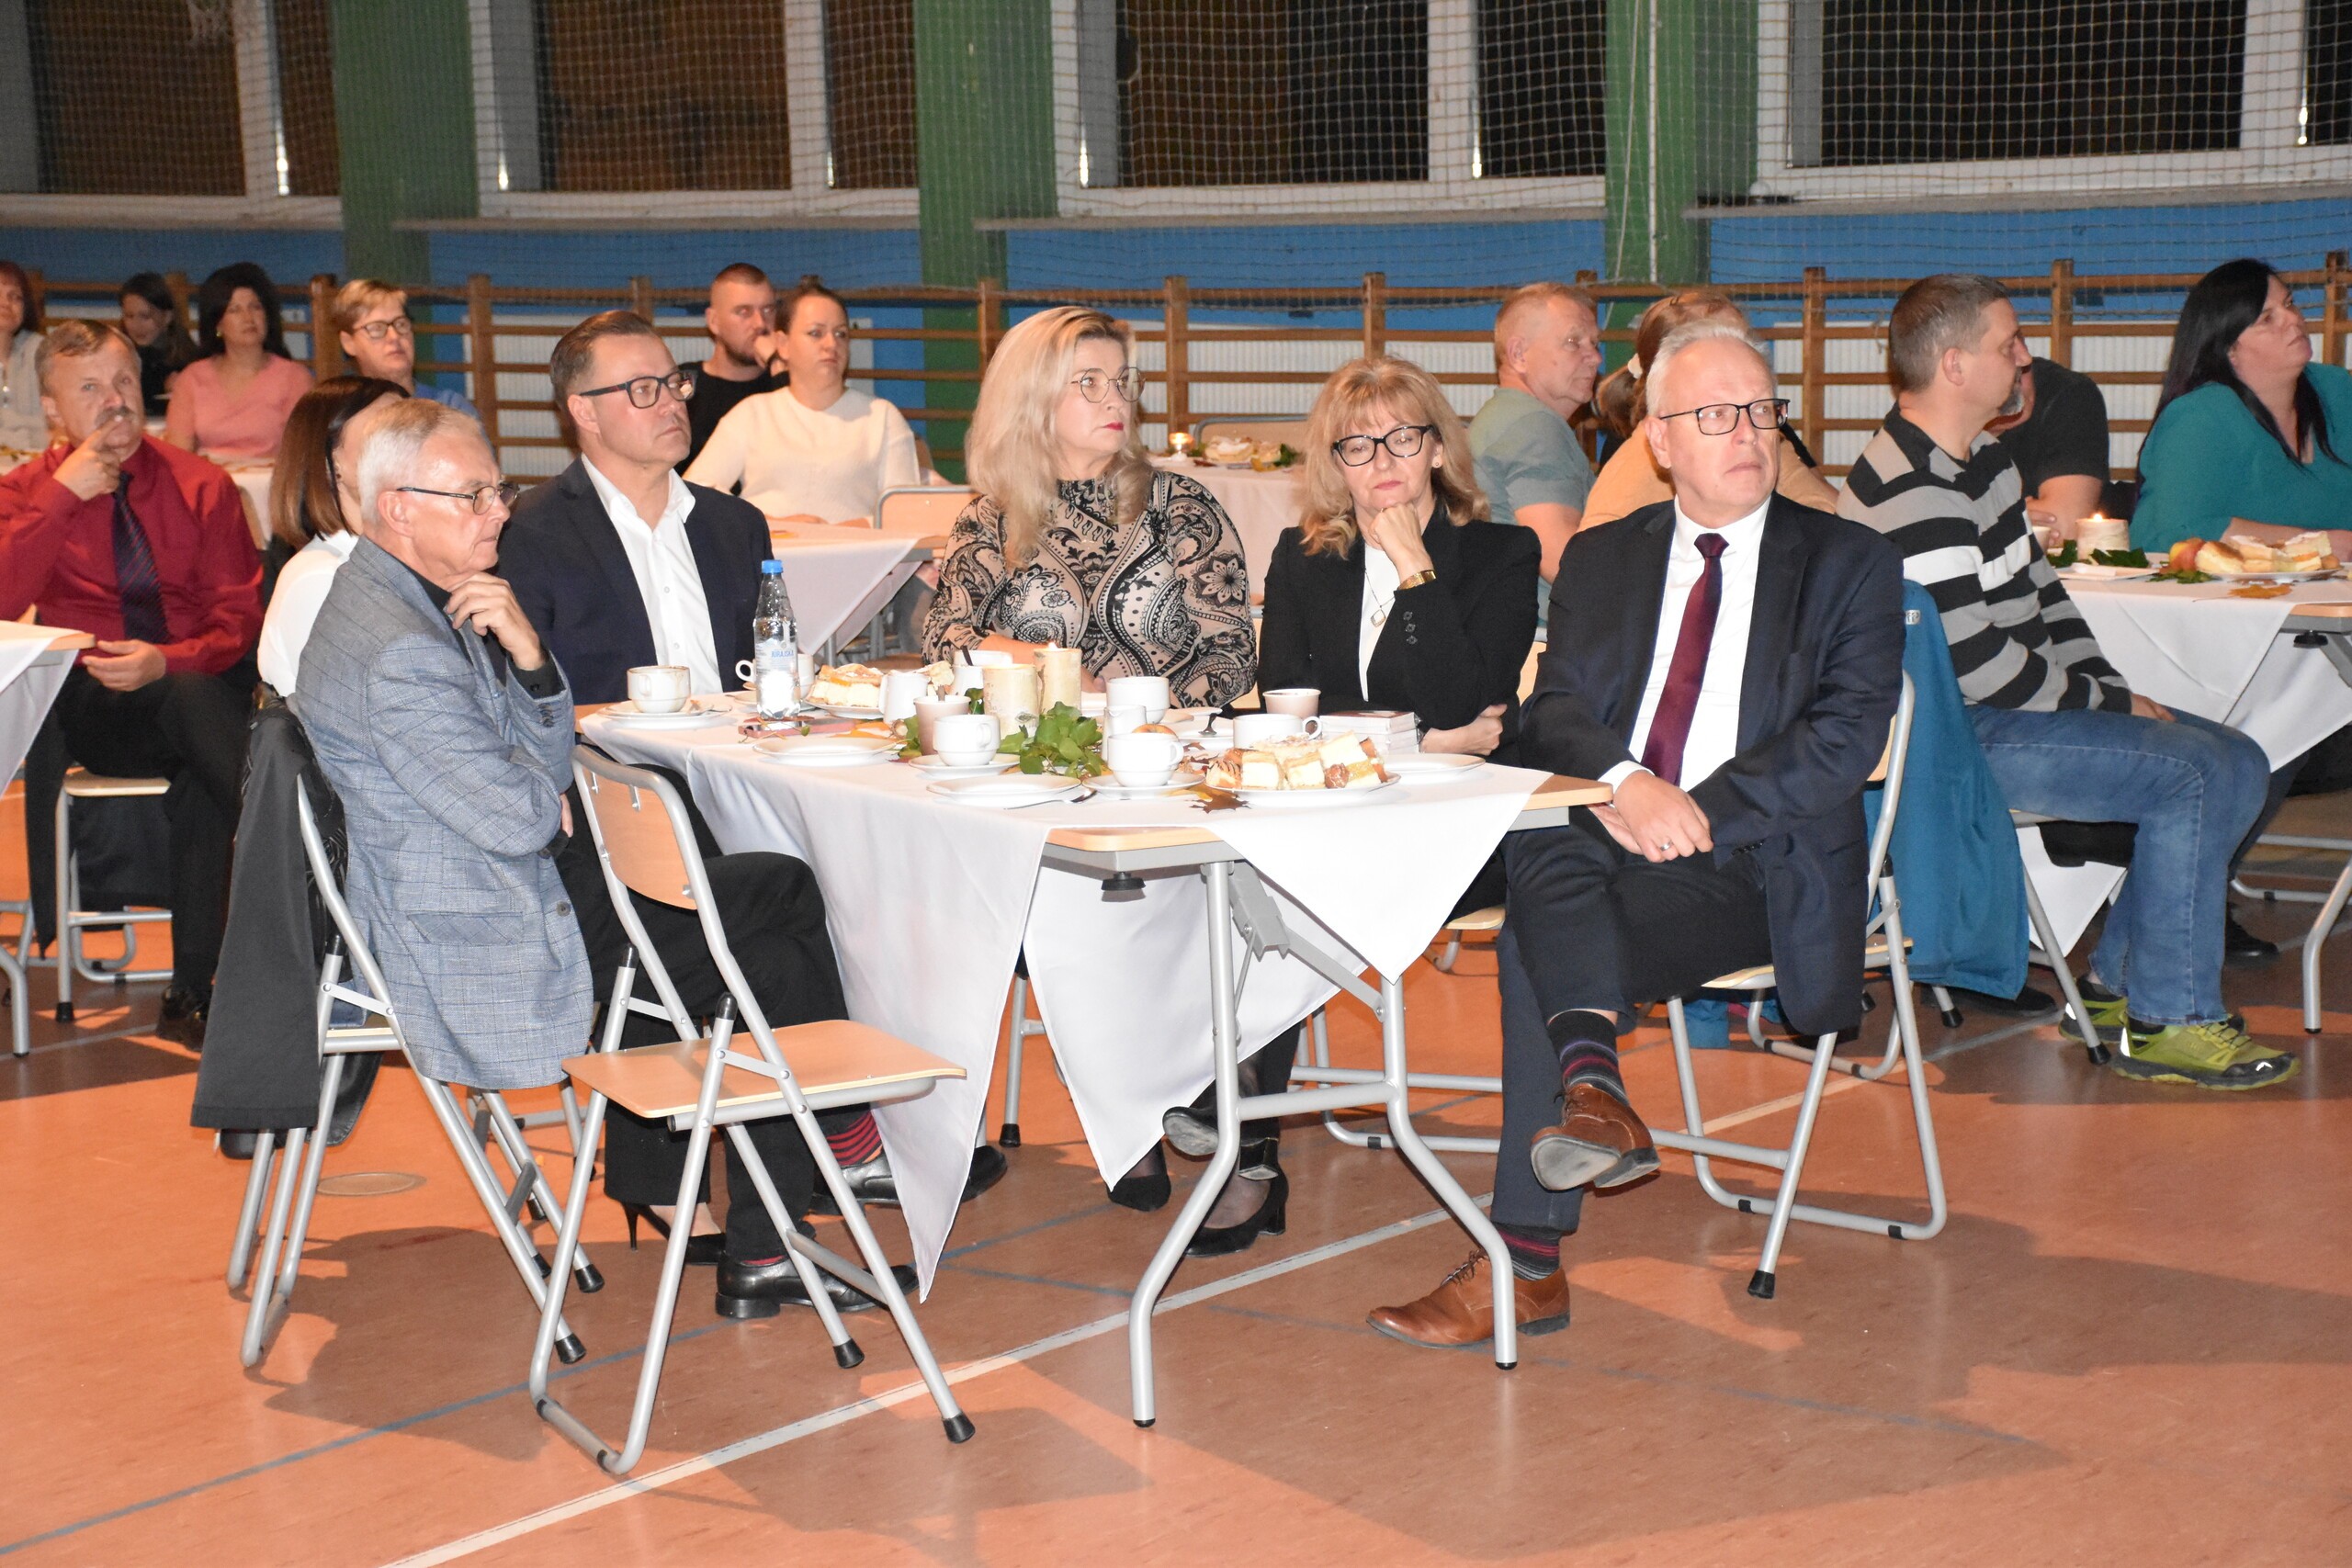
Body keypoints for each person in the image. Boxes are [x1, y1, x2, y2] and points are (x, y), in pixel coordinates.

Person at [1369, 321, 1905, 1348]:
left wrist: (1691, 809)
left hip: (1757, 865)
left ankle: (1533, 1246)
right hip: (1610, 834)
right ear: (1658, 439)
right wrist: (1626, 784)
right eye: (1715, 415)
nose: (1747, 433)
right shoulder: (1607, 556)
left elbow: (1843, 739)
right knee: (1547, 829)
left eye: (1761, 411)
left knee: (1533, 922)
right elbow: (1557, 710)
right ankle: (1585, 1110)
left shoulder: (1849, 560)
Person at [501, 310, 980, 1314]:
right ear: (582, 412)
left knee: (810, 912)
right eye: (640, 389)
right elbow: (520, 705)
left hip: (730, 803)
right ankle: (838, 1143)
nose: (671, 401)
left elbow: (770, 673)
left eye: (672, 381)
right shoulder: (534, 532)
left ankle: (773, 1224)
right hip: (605, 836)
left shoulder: (732, 526)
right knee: (790, 907)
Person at [1838, 274, 2290, 1089]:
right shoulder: (1909, 486)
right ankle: (2171, 1021)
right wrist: (2111, 704)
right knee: (2193, 771)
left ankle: (2120, 987)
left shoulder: (1983, 460)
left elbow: (2045, 599)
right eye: (2008, 343)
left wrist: (2109, 689)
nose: (2025, 358)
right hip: (1953, 739)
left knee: (2242, 759)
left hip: (2003, 713)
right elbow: (1981, 665)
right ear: (1953, 366)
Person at [294, 399, 588, 1097]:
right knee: (757, 907)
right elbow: (523, 819)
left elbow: (541, 775)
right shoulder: (400, 649)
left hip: (474, 877)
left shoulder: (408, 593)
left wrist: (530, 657)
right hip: (468, 926)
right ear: (398, 509)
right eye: (474, 495)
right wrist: (539, 790)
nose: (501, 511)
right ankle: (800, 1145)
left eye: (500, 489)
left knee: (729, 888)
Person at [0, 320, 263, 1047]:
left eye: (122, 381)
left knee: (200, 756)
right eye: (89, 388)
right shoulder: (24, 493)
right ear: (52, 408)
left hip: (194, 690)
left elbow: (238, 621)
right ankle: (299, 843)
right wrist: (62, 497)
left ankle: (190, 997)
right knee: (204, 719)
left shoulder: (201, 485)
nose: (114, 399)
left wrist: (167, 660)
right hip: (95, 703)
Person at [922, 304, 1255, 707]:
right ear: (1032, 397)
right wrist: (1052, 663)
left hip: (1164, 734)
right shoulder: (989, 519)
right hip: (1035, 735)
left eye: (1122, 381)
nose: (1116, 400)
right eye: (1090, 382)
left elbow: (1232, 653)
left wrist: (1147, 707)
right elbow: (942, 637)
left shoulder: (1180, 507)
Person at [2132, 258, 2352, 559]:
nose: (2293, 319)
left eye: (2289, 303)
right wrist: (2311, 544)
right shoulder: (2200, 417)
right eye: (2267, 319)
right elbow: (2182, 529)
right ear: (2229, 350)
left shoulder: (2336, 389)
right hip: (2185, 582)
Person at [1580, 288, 1839, 531]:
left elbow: (1824, 509)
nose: (1747, 433)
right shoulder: (1630, 475)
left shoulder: (1760, 429)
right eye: (1716, 413)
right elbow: (1599, 550)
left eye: (1744, 341)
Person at [685, 275, 922, 525]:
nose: (831, 344)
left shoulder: (882, 417)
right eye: (815, 333)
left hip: (857, 549)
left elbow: (907, 512)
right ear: (783, 344)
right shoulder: (751, 414)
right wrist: (773, 524)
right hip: (770, 549)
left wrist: (844, 531)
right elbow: (695, 494)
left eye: (841, 334)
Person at [256, 376, 408, 695]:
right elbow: (351, 710)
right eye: (387, 431)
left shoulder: (387, 560)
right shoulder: (321, 578)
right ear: (332, 461)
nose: (412, 445)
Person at [1468, 282, 1604, 585]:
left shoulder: (1505, 417)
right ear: (1519, 354)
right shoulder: (1534, 427)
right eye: (1573, 342)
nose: (1595, 357)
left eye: (1594, 343)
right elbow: (1563, 565)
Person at [164, 263, 313, 460]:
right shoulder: (192, 378)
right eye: (235, 310)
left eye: (255, 307)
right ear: (218, 323)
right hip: (209, 477)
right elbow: (178, 456)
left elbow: (303, 454)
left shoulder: (294, 378)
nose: (248, 318)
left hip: (272, 478)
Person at [1986, 355, 2110, 539]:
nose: (2024, 357)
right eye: (2006, 347)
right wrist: (2002, 523)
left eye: (2021, 342)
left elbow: (2063, 527)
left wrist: (1981, 524)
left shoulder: (2065, 394)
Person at [680, 262, 786, 468]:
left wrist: (778, 363)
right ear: (714, 321)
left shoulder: (785, 386)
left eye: (768, 310)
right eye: (744, 312)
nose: (760, 324)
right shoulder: (685, 384)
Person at [332, 278, 481, 420]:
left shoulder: (450, 408)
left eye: (401, 324)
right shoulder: (341, 416)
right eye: (377, 328)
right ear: (348, 343)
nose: (394, 336)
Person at [119, 272, 197, 418]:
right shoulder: (118, 359)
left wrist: (183, 390)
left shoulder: (189, 362)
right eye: (129, 316)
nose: (136, 325)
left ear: (167, 317)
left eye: (145, 317)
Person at [0, 259, 46, 454]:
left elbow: (56, 422)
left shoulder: (41, 351)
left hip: (36, 460)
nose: (5, 303)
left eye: (15, 297)